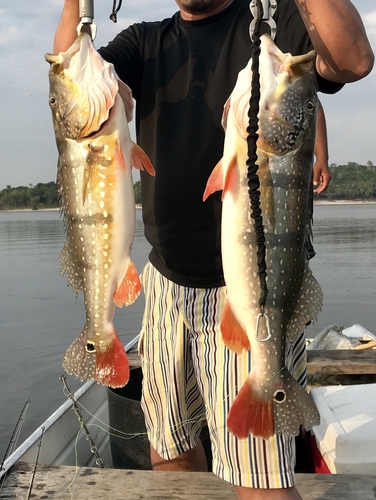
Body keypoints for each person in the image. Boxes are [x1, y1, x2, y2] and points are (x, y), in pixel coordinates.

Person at [53, 1, 373, 499]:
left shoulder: (273, 22)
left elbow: (352, 60)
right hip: (165, 284)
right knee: (171, 452)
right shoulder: (145, 42)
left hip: (253, 293)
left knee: (260, 481)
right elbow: (70, 73)